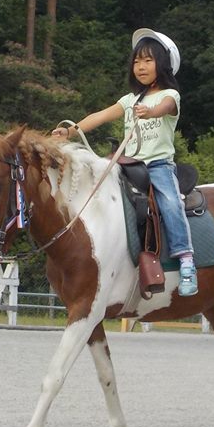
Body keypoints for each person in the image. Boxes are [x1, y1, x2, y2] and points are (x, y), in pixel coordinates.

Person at [53, 28, 197, 297]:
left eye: (148, 60)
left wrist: (150, 111)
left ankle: (186, 258)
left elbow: (166, 107)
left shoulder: (170, 95)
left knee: (169, 202)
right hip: (126, 165)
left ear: (163, 64)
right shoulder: (129, 100)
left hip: (157, 166)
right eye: (136, 61)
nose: (140, 66)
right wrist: (71, 131)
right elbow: (100, 116)